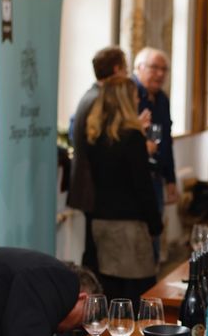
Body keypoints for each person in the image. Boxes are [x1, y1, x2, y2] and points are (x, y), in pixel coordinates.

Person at [86, 76, 162, 303]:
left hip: (101, 222)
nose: (138, 100)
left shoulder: (95, 134)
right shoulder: (132, 138)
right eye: (136, 97)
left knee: (110, 292)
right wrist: (155, 224)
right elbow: (142, 186)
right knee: (139, 296)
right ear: (126, 101)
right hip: (128, 226)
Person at [67, 46, 131, 271]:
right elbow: (105, 148)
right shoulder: (100, 100)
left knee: (94, 247)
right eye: (126, 68)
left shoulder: (90, 94)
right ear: (117, 69)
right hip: (94, 187)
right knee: (97, 252)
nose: (127, 73)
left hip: (88, 185)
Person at [133, 47, 177, 214]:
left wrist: (170, 179)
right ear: (139, 67)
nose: (160, 74)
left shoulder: (162, 99)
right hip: (135, 180)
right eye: (154, 68)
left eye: (164, 69)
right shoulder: (129, 95)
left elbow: (166, 140)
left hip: (156, 177)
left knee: (156, 227)